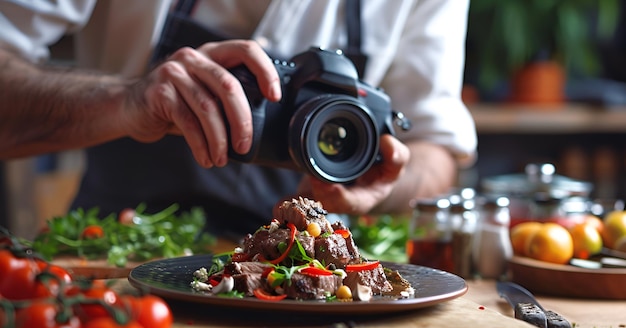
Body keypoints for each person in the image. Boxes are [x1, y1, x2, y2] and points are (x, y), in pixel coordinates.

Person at [0, 0, 477, 238]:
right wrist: (125, 101)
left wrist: (378, 181)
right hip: (116, 255)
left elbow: (436, 152)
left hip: (303, 277)